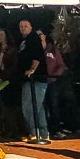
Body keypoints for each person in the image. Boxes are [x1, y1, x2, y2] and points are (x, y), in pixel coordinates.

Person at [17, 16, 49, 144]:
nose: (23, 28)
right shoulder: (23, 41)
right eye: (21, 26)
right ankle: (43, 133)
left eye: (25, 26)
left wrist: (32, 70)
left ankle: (35, 132)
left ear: (31, 27)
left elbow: (37, 56)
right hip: (30, 79)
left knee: (29, 106)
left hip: (35, 79)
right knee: (38, 107)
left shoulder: (33, 39)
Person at [38, 30, 71, 139]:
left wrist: (54, 74)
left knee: (53, 105)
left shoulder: (52, 49)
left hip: (53, 82)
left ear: (45, 36)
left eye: (41, 34)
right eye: (37, 35)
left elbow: (61, 65)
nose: (39, 36)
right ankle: (44, 130)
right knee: (42, 106)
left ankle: (56, 130)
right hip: (40, 82)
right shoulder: (35, 50)